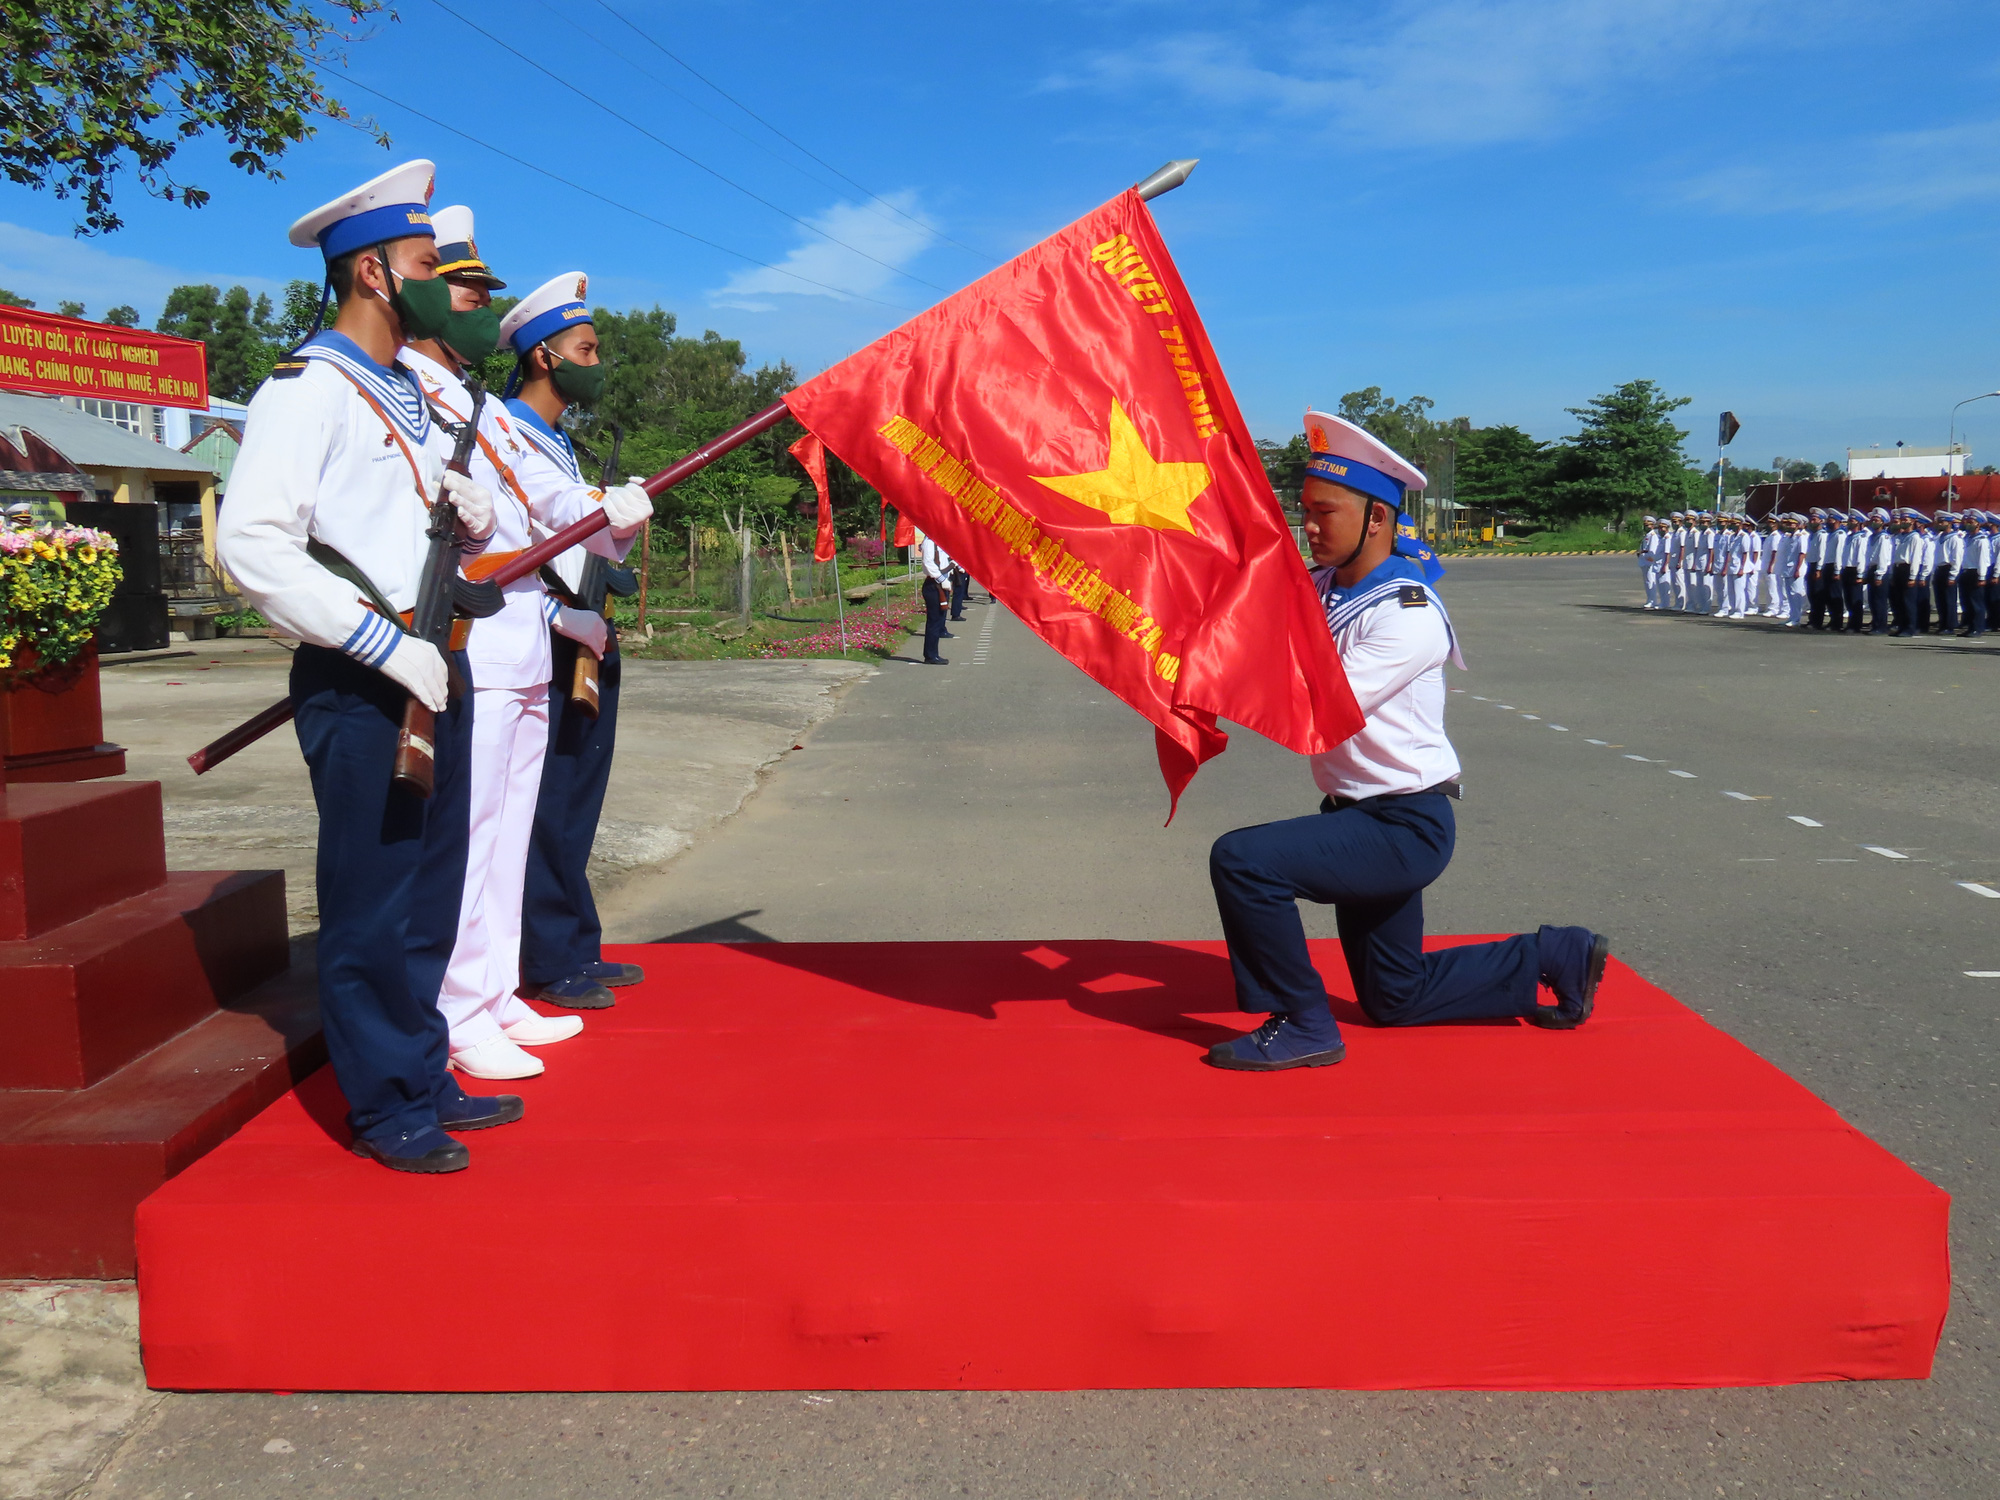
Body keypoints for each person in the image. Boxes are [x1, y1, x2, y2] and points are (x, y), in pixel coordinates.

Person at [215, 161, 522, 1174]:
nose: (440, 281)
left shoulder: (397, 389)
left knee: (430, 891)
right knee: (370, 905)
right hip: (366, 678)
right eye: (426, 263)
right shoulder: (306, 388)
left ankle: (423, 1070)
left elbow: (393, 516)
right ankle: (386, 1105)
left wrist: (461, 503)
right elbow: (253, 545)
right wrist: (385, 645)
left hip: (437, 664)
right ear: (374, 275)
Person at [1205, 411, 1608, 1073]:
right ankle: (1553, 955)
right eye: (1304, 511)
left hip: (1402, 825)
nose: (1307, 527)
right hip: (1357, 817)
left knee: (1245, 861)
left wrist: (1213, 687)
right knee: (1395, 995)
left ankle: (1304, 1022)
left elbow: (1315, 710)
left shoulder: (1406, 615)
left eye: (1323, 513)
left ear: (1378, 521)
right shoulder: (1323, 587)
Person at [402, 241, 651, 1079]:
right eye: (464, 297)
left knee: (506, 836)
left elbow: (545, 522)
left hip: (520, 641)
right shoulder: (463, 408)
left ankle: (493, 991)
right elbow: (522, 529)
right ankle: (458, 1009)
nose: (465, 310)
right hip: (475, 642)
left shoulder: (476, 407)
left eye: (470, 297)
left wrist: (595, 538)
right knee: (472, 842)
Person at [509, 276, 651, 1013]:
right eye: (585, 350)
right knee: (545, 804)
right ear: (544, 357)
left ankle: (573, 943)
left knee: (574, 803)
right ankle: (547, 955)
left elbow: (589, 540)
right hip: (546, 636)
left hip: (584, 632)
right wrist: (567, 620)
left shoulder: (558, 442)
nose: (597, 362)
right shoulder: (510, 434)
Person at [916, 528, 952, 664]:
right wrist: (942, 580)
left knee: (939, 619)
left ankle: (933, 653)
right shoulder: (930, 542)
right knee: (934, 620)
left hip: (940, 584)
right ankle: (931, 655)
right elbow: (928, 563)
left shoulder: (938, 541)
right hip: (934, 584)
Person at [1957, 511, 1989, 638]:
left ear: (1978, 524)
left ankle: (1977, 628)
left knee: (1976, 602)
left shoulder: (1981, 540)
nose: (1968, 524)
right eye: (1967, 522)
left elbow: (1983, 559)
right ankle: (1970, 627)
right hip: (1965, 571)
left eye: (1971, 522)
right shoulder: (1966, 538)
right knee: (1966, 602)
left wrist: (1981, 576)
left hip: (1975, 572)